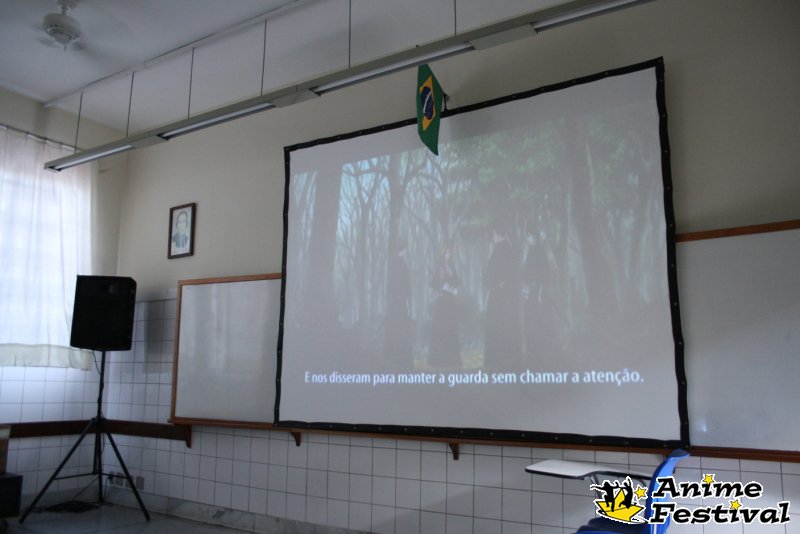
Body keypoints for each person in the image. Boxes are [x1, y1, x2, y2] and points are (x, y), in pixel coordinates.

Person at [484, 228, 521, 369]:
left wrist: (498, 284)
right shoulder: (501, 249)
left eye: (494, 234)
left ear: (499, 234)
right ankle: (501, 358)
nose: (493, 237)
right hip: (498, 293)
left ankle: (501, 358)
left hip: (501, 295)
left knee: (500, 324)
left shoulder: (503, 249)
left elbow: (504, 273)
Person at [428, 247, 461, 368]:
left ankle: (452, 360)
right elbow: (433, 287)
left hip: (451, 302)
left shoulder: (452, 268)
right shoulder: (440, 269)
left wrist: (453, 288)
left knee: (451, 329)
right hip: (442, 304)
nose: (448, 255)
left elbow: (458, 282)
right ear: (442, 255)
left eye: (449, 253)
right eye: (446, 253)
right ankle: (439, 360)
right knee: (441, 329)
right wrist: (439, 290)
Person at [384, 239, 413, 368]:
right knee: (400, 329)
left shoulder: (395, 262)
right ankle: (400, 359)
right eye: (405, 248)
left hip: (396, 301)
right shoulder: (399, 263)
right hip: (399, 302)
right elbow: (402, 284)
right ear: (403, 249)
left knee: (397, 329)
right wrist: (405, 299)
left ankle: (395, 358)